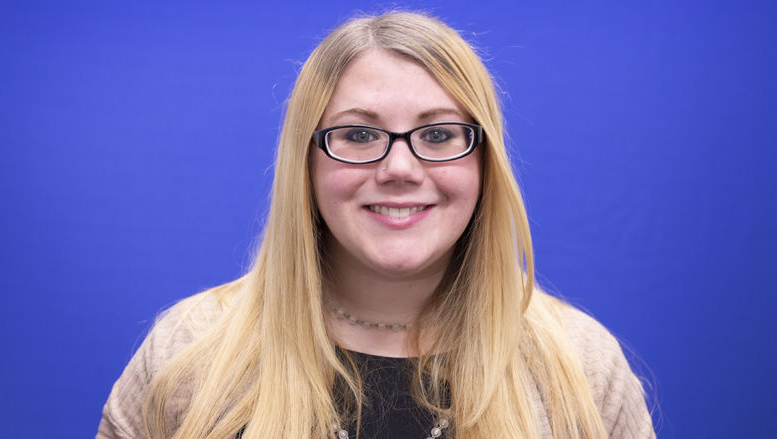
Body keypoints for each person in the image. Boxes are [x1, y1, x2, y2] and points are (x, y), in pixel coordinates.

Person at [98, 11, 655, 439]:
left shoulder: (582, 367)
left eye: (438, 135)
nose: (399, 169)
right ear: (307, 162)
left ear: (485, 163)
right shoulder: (187, 351)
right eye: (359, 136)